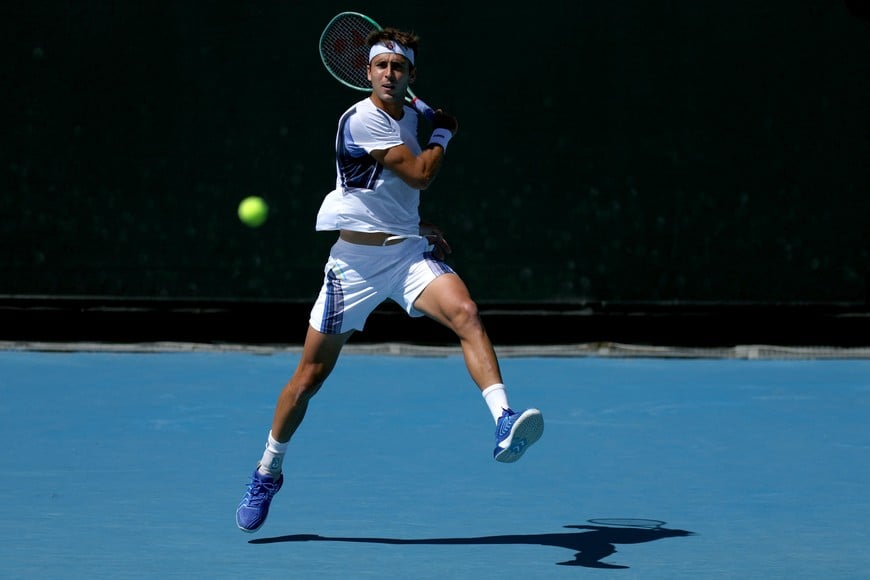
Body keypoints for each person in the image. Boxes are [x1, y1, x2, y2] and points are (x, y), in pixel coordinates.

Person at [236, 26, 544, 533]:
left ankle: (505, 420)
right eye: (380, 66)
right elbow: (420, 175)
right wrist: (443, 134)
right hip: (352, 267)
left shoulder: (408, 119)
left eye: (398, 68)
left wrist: (415, 225)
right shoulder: (360, 119)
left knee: (466, 313)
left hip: (406, 255)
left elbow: (383, 194)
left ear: (410, 76)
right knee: (308, 379)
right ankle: (268, 469)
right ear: (368, 72)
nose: (388, 74)